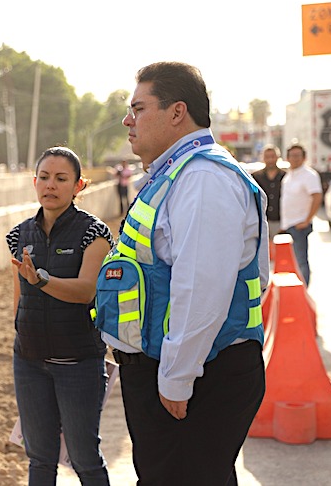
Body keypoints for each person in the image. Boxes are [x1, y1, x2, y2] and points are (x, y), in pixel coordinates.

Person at [94, 62, 269, 485]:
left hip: (200, 373)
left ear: (177, 112)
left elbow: (201, 289)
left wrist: (176, 377)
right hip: (173, 366)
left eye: (139, 107)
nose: (127, 119)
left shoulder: (203, 178)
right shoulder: (174, 174)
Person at [6, 146, 113, 485]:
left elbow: (86, 291)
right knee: (39, 459)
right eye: (45, 177)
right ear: (34, 181)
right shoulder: (19, 235)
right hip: (29, 363)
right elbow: (18, 299)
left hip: (79, 364)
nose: (51, 185)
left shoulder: (94, 234)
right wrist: (22, 334)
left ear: (79, 186)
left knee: (84, 458)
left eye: (61, 179)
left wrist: (42, 279)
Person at [280, 143, 322, 285]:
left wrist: (307, 220)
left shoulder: (309, 175)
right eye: (292, 155)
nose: (295, 158)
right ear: (287, 157)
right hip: (288, 225)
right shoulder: (289, 175)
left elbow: (317, 197)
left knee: (301, 261)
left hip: (299, 225)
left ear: (304, 158)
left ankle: (303, 293)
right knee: (291, 263)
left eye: (298, 156)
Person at [251, 145, 285, 259]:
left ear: (278, 157)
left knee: (282, 256)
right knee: (264, 256)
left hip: (281, 220)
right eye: (267, 157)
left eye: (273, 156)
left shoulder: (285, 176)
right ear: (263, 158)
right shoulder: (255, 177)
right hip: (262, 220)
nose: (270, 159)